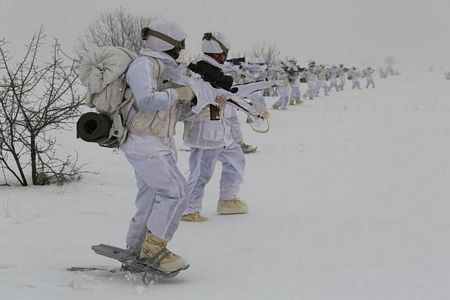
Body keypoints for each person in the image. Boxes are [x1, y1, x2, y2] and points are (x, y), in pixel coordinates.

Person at [120, 17, 194, 273]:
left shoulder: (165, 69)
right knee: (177, 192)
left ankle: (136, 246)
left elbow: (171, 113)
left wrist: (194, 104)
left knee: (151, 197)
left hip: (156, 142)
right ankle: (155, 250)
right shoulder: (143, 65)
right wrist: (177, 94)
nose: (179, 51)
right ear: (165, 43)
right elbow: (147, 100)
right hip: (144, 143)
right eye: (177, 46)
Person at [181, 31, 248, 222]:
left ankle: (228, 199)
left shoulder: (215, 73)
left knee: (236, 159)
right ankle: (189, 209)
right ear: (218, 53)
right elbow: (186, 108)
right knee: (201, 172)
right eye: (222, 53)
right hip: (204, 132)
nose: (224, 57)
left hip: (219, 130)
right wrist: (203, 102)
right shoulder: (197, 74)